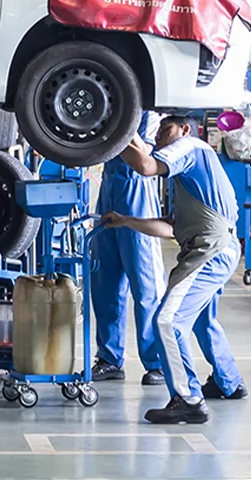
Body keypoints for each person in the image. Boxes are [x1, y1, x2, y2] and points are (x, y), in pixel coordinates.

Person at [100, 115, 248, 425]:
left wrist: (113, 130)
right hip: (218, 249)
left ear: (184, 128)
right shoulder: (189, 181)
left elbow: (146, 166)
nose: (160, 137)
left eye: (165, 130)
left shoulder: (191, 146)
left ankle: (188, 399)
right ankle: (228, 382)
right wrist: (126, 221)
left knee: (167, 320)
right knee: (202, 320)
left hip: (209, 252)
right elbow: (169, 228)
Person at [90, 112, 166, 386]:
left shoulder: (148, 113)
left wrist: (124, 119)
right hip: (109, 190)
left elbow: (144, 153)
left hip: (138, 192)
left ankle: (157, 361)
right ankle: (110, 358)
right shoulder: (107, 104)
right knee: (105, 282)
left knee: (146, 285)